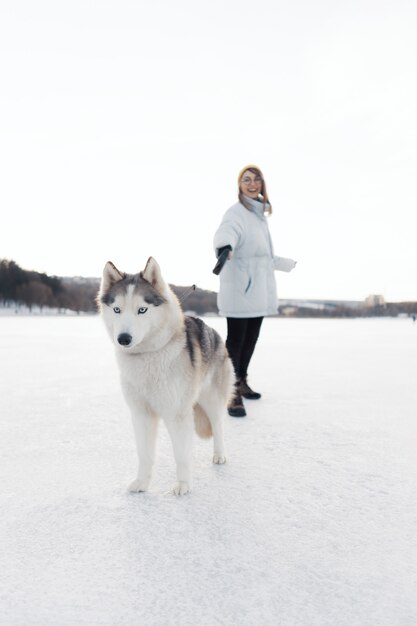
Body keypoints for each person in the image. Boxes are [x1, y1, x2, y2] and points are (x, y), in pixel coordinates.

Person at [213, 165, 296, 417]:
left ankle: (241, 380)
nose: (252, 183)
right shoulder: (236, 213)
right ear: (239, 185)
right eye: (246, 180)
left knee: (251, 339)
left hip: (257, 288)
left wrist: (285, 263)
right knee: (236, 341)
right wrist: (225, 246)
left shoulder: (258, 215)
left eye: (257, 179)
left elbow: (261, 255)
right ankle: (230, 391)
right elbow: (227, 231)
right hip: (240, 288)